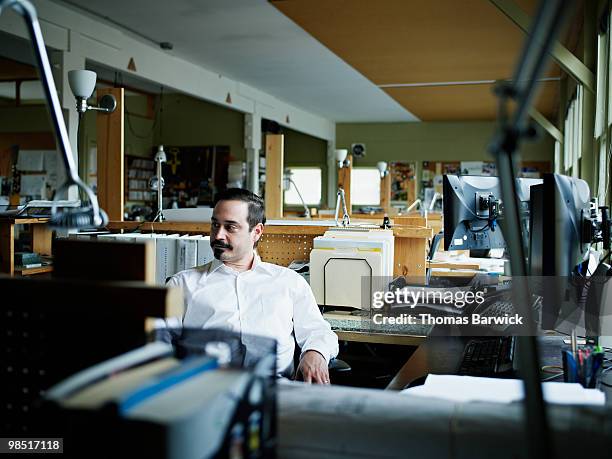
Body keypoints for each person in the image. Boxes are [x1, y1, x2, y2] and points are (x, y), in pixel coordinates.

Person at [167, 188, 339, 384]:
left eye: (230, 227)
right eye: (215, 225)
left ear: (256, 232)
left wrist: (315, 353)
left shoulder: (288, 282)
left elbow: (319, 331)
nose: (218, 236)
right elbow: (157, 345)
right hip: (204, 391)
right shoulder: (182, 284)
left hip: (274, 391)